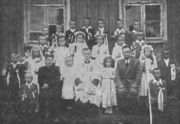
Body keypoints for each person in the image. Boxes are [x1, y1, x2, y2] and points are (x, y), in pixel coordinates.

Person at [74, 48, 101, 118]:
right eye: (85, 54)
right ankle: (82, 112)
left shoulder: (95, 63)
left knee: (93, 94)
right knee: (81, 94)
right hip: (82, 84)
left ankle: (92, 112)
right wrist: (80, 83)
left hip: (92, 84)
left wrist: (92, 84)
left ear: (90, 54)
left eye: (88, 54)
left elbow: (98, 74)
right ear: (82, 54)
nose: (87, 55)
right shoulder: (78, 63)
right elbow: (76, 74)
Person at [115, 45, 142, 114]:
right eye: (124, 52)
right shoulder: (119, 62)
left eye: (127, 52)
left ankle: (132, 113)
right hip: (123, 83)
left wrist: (134, 85)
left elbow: (138, 75)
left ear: (130, 52)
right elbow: (117, 75)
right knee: (121, 92)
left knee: (132, 92)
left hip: (132, 83)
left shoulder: (136, 61)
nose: (126, 53)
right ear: (122, 53)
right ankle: (123, 113)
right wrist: (120, 85)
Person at [38, 54, 62, 121]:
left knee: (54, 98)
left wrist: (48, 84)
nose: (49, 61)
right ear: (45, 61)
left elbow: (57, 79)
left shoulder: (57, 69)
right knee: (44, 98)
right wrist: (44, 84)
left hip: (53, 88)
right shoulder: (41, 69)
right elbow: (39, 80)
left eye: (51, 60)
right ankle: (45, 115)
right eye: (48, 60)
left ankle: (55, 116)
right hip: (44, 88)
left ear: (53, 61)